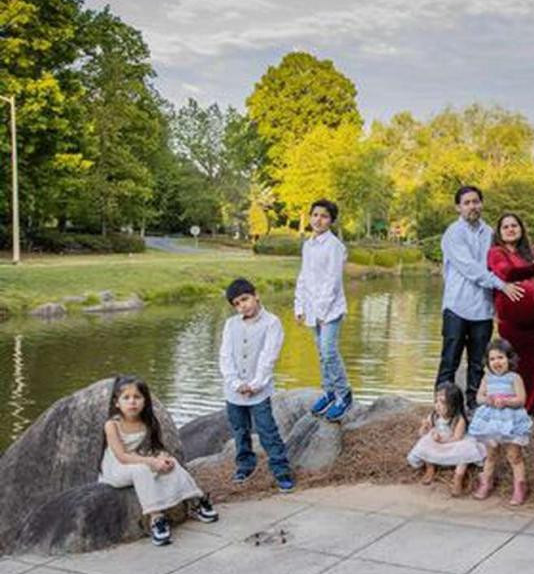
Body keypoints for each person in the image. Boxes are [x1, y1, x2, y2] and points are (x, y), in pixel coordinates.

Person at [99, 376, 217, 547]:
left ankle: (196, 500)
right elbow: (122, 456)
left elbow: (153, 448)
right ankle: (156, 518)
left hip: (138, 460)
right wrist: (151, 462)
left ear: (145, 401)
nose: (132, 402)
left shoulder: (147, 422)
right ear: (117, 403)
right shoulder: (112, 425)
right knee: (142, 470)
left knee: (171, 464)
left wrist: (161, 458)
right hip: (116, 468)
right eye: (126, 398)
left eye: (137, 397)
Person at [437, 186, 524, 411]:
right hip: (456, 306)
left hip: (483, 309)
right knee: (450, 361)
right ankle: (444, 407)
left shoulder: (490, 233)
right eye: (466, 203)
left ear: (481, 204)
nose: (472, 206)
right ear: (458, 207)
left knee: (477, 363)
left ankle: (474, 406)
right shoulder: (453, 233)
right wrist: (501, 285)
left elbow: (505, 260)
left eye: (475, 201)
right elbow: (471, 268)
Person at [219, 278, 295, 493]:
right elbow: (225, 355)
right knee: (239, 430)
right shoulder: (230, 324)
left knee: (266, 430)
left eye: (245, 299)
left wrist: (256, 384)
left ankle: (281, 470)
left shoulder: (272, 323)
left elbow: (269, 356)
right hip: (234, 390)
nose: (243, 305)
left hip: (259, 391)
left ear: (256, 295)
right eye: (237, 303)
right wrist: (234, 382)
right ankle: (245, 465)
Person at [488, 213, 534, 416]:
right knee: (514, 363)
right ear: (499, 232)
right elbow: (506, 274)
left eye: (515, 225)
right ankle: (512, 404)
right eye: (506, 226)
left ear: (521, 229)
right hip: (514, 322)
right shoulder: (496, 252)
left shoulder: (530, 253)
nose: (511, 229)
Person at [295, 198, 353, 422]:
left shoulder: (334, 246)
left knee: (329, 350)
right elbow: (303, 277)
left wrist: (321, 311)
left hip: (330, 309)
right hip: (311, 308)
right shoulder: (308, 245)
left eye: (324, 216)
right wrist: (299, 305)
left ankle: (343, 393)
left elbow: (333, 281)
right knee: (321, 353)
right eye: (315, 215)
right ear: (310, 217)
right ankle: (329, 392)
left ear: (331, 221)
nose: (319, 220)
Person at [468, 339, 533, 505]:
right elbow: (479, 397)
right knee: (491, 454)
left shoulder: (514, 378)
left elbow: (522, 399)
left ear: (509, 359)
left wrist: (507, 402)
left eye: (501, 358)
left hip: (510, 420)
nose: (497, 362)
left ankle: (519, 487)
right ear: (488, 362)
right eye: (492, 359)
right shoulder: (487, 378)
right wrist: (488, 399)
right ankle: (486, 482)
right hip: (491, 421)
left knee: (514, 455)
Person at [407, 382, 486, 496]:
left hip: (453, 443)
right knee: (425, 443)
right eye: (436, 401)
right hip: (438, 442)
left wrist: (444, 441)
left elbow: (457, 438)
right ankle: (430, 469)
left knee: (465, 453)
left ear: (454, 405)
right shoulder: (434, 416)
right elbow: (422, 433)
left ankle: (458, 477)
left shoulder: (459, 419)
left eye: (442, 402)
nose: (437, 405)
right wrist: (424, 427)